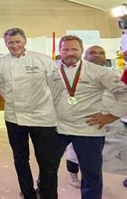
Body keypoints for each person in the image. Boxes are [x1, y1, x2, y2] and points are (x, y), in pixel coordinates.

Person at [50, 35, 127, 199]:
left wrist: (111, 116)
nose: (70, 53)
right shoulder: (50, 69)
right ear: (60, 51)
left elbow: (124, 93)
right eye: (66, 49)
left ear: (81, 51)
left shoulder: (99, 72)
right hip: (57, 127)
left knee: (91, 174)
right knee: (47, 167)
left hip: (89, 129)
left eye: (74, 49)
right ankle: (44, 193)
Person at [0, 28, 58, 199]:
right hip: (15, 118)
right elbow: (1, 87)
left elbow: (55, 86)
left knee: (47, 162)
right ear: (6, 43)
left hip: (43, 118)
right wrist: (13, 101)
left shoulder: (42, 60)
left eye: (17, 41)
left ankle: (48, 194)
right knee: (20, 160)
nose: (14, 45)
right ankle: (28, 192)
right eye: (10, 42)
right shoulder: (1, 64)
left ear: (25, 41)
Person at [65, 45, 107, 188]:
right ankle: (72, 173)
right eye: (92, 53)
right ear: (84, 55)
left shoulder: (111, 74)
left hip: (100, 122)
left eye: (101, 53)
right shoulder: (73, 73)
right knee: (72, 152)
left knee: (94, 160)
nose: (97, 55)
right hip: (74, 121)